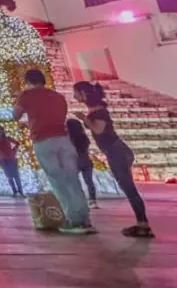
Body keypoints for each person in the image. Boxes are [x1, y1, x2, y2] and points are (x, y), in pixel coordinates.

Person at [13, 69, 93, 234]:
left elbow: (16, 115)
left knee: (58, 181)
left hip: (43, 141)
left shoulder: (27, 95)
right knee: (72, 179)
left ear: (28, 81)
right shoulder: (58, 96)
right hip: (63, 139)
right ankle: (84, 218)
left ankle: (73, 220)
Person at [73, 81, 152, 237]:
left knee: (129, 189)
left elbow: (98, 129)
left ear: (83, 93)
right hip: (115, 152)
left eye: (76, 93)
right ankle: (142, 223)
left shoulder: (99, 112)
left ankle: (143, 225)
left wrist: (84, 119)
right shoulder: (95, 110)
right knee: (128, 189)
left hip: (117, 152)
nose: (74, 96)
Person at [66, 118, 98, 208]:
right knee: (89, 182)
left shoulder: (69, 139)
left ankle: (78, 200)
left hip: (74, 162)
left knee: (73, 182)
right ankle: (93, 200)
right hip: (86, 161)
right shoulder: (84, 138)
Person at [0, 125, 24, 197]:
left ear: (3, 130)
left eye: (0, 129)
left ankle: (21, 192)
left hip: (12, 159)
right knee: (9, 176)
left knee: (16, 176)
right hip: (2, 160)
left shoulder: (7, 138)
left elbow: (17, 143)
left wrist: (14, 150)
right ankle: (14, 192)